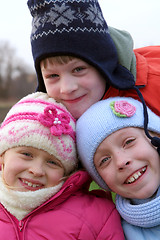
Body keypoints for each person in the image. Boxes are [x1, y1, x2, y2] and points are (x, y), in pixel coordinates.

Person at [0, 92, 125, 239]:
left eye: (52, 162)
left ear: (68, 170)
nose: (36, 170)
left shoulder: (97, 217)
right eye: (26, 154)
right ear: (2, 156)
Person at [27, 0, 160, 119]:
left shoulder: (154, 87)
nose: (67, 88)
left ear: (104, 64)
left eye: (78, 69)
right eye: (53, 75)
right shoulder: (47, 117)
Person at [76, 96, 160, 239]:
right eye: (105, 160)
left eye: (129, 142)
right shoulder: (115, 232)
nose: (121, 162)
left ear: (155, 136)